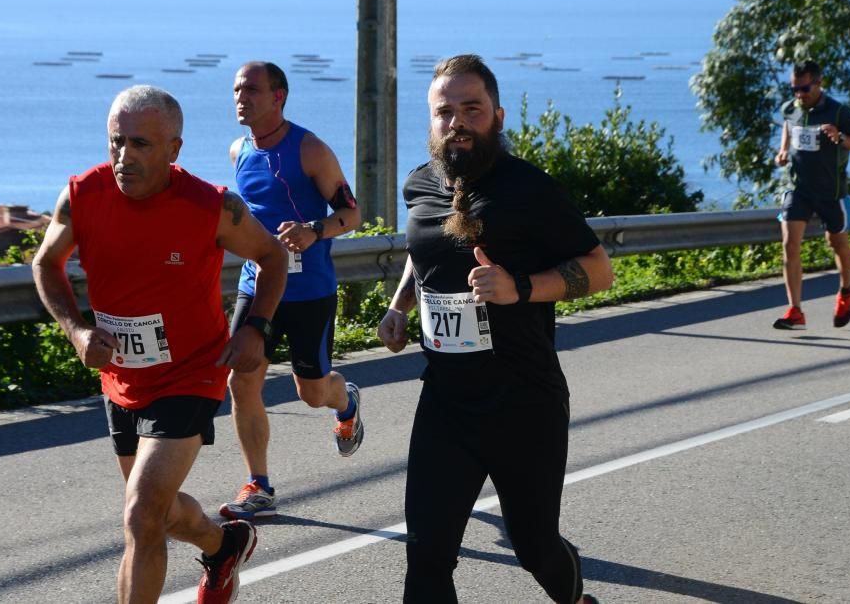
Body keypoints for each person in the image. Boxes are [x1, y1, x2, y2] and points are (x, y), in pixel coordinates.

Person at [32, 85, 288, 604]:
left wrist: (254, 327)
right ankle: (223, 545)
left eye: (141, 145)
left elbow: (273, 257)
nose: (124, 157)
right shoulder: (82, 196)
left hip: (191, 372)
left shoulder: (212, 207)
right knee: (157, 509)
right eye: (116, 142)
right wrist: (77, 331)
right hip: (122, 377)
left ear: (174, 149)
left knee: (140, 513)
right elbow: (45, 264)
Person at [376, 55, 611, 604]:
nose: (456, 121)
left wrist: (520, 287)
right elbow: (423, 254)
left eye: (471, 109)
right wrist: (399, 307)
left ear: (497, 117)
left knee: (533, 547)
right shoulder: (420, 185)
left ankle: (575, 598)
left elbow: (599, 270)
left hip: (523, 401)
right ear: (431, 120)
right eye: (445, 111)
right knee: (427, 557)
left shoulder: (529, 189)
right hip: (446, 401)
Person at [219, 61, 364, 521]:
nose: (242, 97)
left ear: (279, 96)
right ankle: (258, 485)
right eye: (238, 89)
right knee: (241, 381)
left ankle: (346, 402)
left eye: (252, 90)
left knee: (312, 393)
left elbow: (352, 213)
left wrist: (314, 229)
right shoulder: (238, 149)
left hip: (309, 291)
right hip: (257, 285)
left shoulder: (309, 149)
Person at [772, 60, 850, 330]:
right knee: (789, 244)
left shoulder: (839, 111)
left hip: (831, 192)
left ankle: (845, 290)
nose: (799, 94)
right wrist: (783, 150)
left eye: (804, 88)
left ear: (818, 83)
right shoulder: (790, 108)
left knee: (837, 244)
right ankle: (795, 311)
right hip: (799, 189)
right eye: (794, 88)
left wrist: (840, 137)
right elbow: (788, 124)